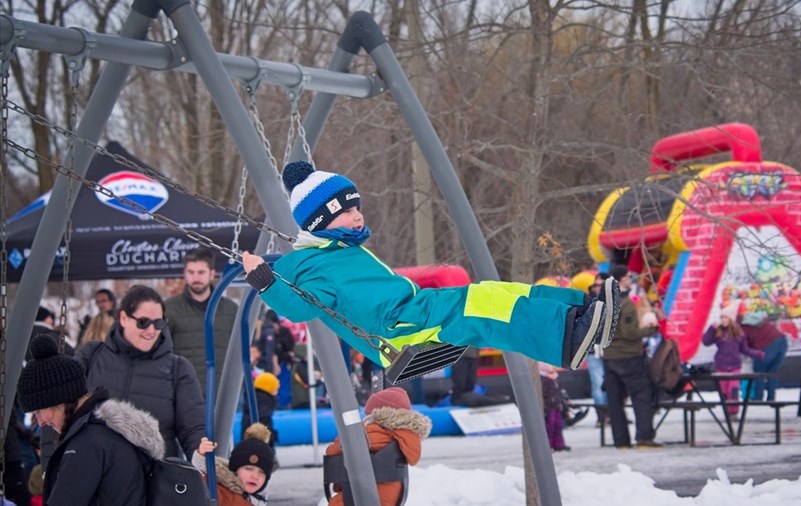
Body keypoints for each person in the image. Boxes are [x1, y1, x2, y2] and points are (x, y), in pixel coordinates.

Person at [241, 161, 619, 372]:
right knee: (483, 307)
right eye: (348, 211)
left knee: (496, 290)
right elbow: (299, 307)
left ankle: (582, 311)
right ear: (320, 220)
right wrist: (265, 280)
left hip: (414, 309)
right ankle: (567, 339)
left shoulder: (336, 250)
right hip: (396, 331)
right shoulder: (311, 266)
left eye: (357, 207)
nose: (358, 217)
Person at [17, 334, 165, 505]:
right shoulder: (107, 431)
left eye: (38, 411)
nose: (41, 422)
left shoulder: (87, 442)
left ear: (58, 399)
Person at [75, 284, 206, 458]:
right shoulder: (92, 355)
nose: (151, 331)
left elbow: (193, 430)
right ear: (123, 318)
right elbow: (60, 410)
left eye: (158, 323)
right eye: (143, 322)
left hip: (154, 477)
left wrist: (202, 461)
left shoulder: (178, 369)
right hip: (95, 472)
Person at [325, 387, 431, 506]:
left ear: (379, 414)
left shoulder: (375, 432)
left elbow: (337, 448)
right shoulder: (403, 435)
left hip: (371, 494)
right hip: (391, 493)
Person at [602, 265, 662, 448]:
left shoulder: (605, 301)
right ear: (621, 280)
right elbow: (629, 332)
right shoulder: (625, 303)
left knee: (615, 401)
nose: (630, 280)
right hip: (628, 356)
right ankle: (644, 437)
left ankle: (621, 441)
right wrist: (651, 329)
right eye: (628, 277)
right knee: (641, 396)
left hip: (609, 357)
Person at [166, 246, 239, 392]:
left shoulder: (231, 309)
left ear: (211, 274)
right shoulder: (169, 308)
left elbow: (240, 350)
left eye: (201, 272)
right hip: (184, 392)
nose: (196, 278)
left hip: (224, 392)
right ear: (184, 274)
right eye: (191, 272)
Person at [702, 302, 764, 417]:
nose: (723, 320)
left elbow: (745, 349)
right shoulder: (718, 331)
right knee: (724, 392)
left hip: (734, 367)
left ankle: (734, 412)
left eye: (725, 317)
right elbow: (706, 342)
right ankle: (727, 412)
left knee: (733, 390)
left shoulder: (739, 333)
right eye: (721, 317)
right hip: (721, 366)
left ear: (731, 319)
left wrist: (757, 354)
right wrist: (712, 328)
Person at [193, 423, 275, 506]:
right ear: (235, 470)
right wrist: (203, 456)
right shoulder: (221, 491)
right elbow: (202, 484)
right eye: (249, 469)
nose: (255, 476)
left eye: (262, 472)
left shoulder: (258, 499)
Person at [739, 312, 789, 401]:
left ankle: (758, 398)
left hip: (766, 346)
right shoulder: (757, 321)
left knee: (758, 372)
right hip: (782, 341)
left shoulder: (742, 328)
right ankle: (771, 398)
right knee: (772, 372)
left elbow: (744, 346)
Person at [586, 273, 610, 426]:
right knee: (598, 383)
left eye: (601, 285)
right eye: (596, 285)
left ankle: (613, 412)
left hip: (611, 349)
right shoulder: (588, 302)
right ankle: (602, 415)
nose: (597, 288)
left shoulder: (614, 302)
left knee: (611, 383)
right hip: (594, 349)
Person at [242, 372, 280, 452]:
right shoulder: (266, 400)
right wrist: (271, 434)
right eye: (275, 389)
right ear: (269, 388)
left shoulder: (251, 397)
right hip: (260, 437)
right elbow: (264, 418)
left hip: (247, 434)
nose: (277, 392)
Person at [539, 363, 570, 452]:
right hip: (548, 407)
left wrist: (563, 404)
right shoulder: (543, 379)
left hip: (556, 405)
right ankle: (547, 445)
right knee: (549, 425)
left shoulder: (554, 378)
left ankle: (558, 444)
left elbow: (558, 393)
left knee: (558, 425)